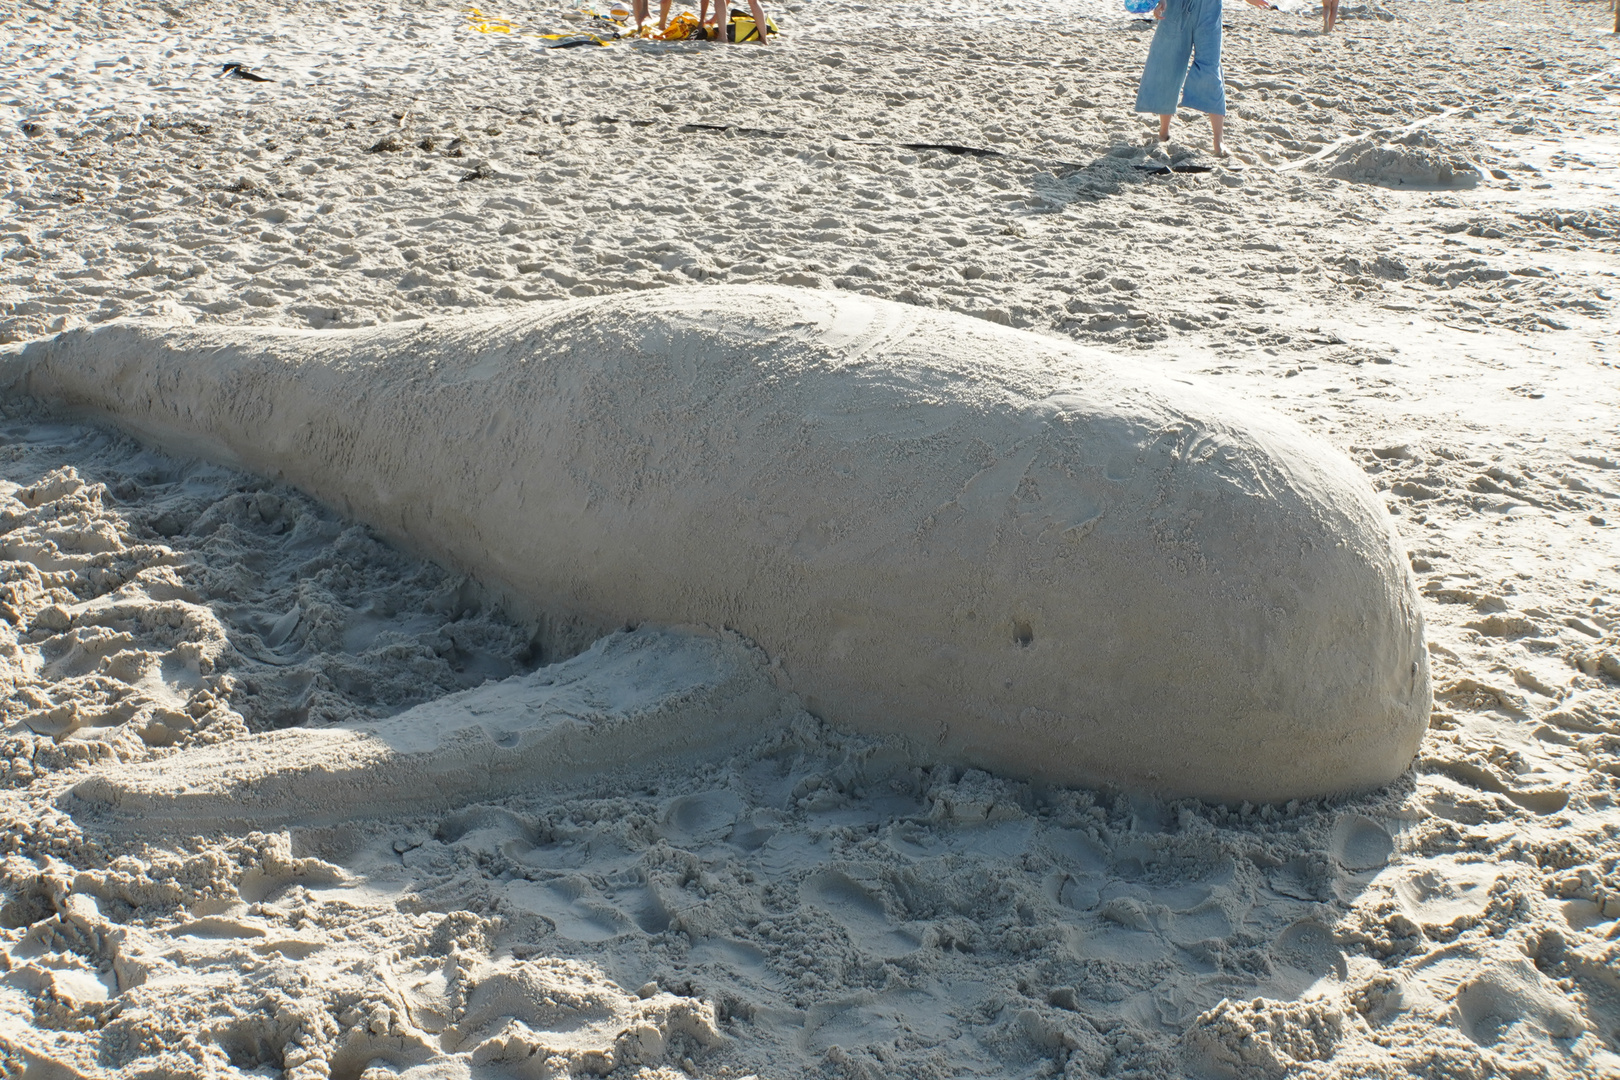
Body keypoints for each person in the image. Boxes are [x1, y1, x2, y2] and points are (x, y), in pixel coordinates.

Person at [1135, 0, 1272, 157]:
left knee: (1210, 69)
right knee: (1168, 65)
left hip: (1209, 9)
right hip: (1175, 8)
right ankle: (1164, 132)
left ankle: (1218, 141)